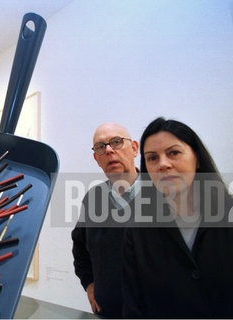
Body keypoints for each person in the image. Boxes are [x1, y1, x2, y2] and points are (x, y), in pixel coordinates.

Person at [122, 117, 233, 318]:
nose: (163, 164)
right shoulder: (137, 233)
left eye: (174, 153)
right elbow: (135, 310)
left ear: (196, 158)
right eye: (152, 158)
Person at [71, 122, 140, 318]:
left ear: (134, 148)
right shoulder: (93, 199)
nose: (109, 150)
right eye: (101, 147)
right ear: (96, 158)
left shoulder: (163, 194)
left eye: (116, 142)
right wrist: (89, 284)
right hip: (107, 313)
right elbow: (80, 248)